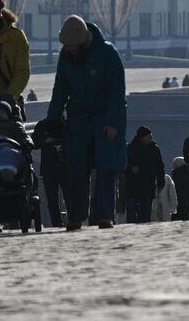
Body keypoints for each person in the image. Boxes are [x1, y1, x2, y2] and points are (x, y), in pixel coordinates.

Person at [45, 15, 126, 231]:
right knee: (77, 169)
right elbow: (60, 89)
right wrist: (52, 120)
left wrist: (112, 122)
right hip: (79, 120)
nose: (68, 49)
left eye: (71, 46)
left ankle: (104, 215)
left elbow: (117, 92)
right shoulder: (66, 57)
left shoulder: (108, 53)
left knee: (105, 167)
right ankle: (76, 216)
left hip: (104, 119)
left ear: (82, 42)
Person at [32, 117, 69, 227]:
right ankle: (57, 223)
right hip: (50, 168)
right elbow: (34, 143)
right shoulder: (42, 124)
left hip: (64, 166)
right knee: (52, 199)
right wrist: (46, 141)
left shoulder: (67, 124)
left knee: (68, 197)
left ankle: (70, 220)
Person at [125, 126, 166, 223]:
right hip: (133, 185)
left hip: (147, 185)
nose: (151, 138)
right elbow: (123, 165)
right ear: (142, 137)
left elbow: (159, 167)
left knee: (146, 212)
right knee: (132, 212)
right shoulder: (131, 148)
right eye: (149, 136)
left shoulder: (154, 149)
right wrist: (131, 169)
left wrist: (161, 183)